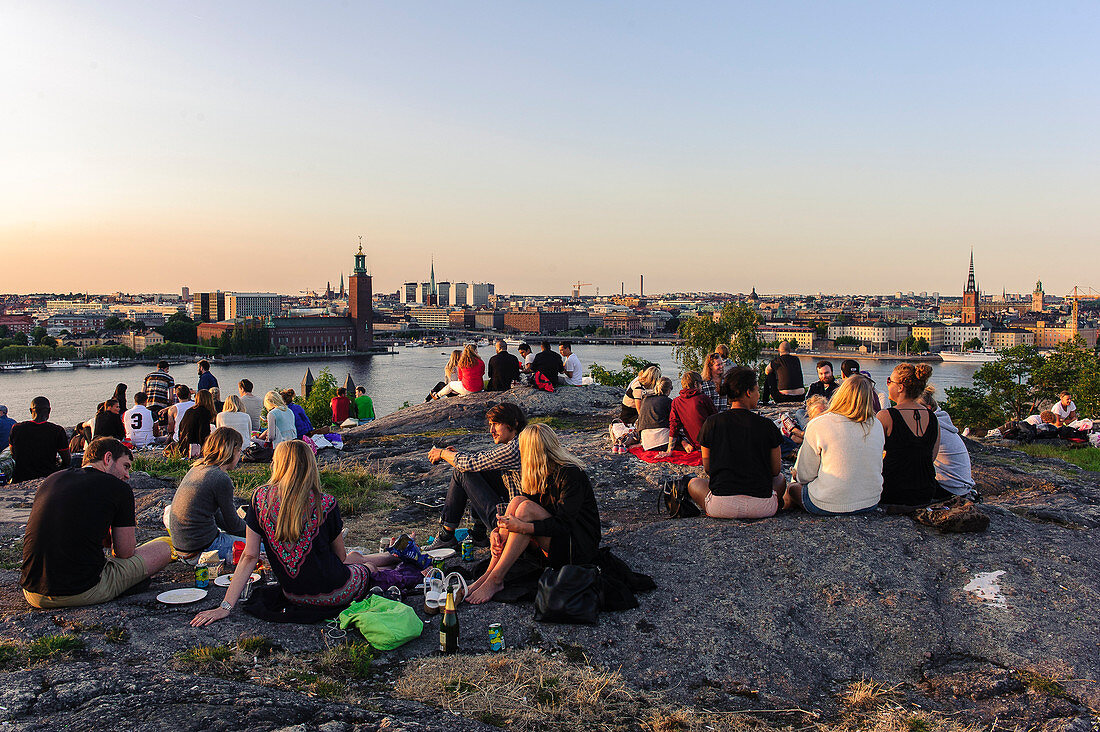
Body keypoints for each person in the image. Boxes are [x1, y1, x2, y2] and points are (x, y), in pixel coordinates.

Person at [191, 440, 402, 625]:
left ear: (278, 464)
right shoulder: (325, 503)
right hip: (337, 592)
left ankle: (394, 555)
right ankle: (397, 556)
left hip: (294, 596)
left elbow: (249, 556)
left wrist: (225, 607)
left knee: (356, 559)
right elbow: (340, 558)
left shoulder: (259, 498)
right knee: (366, 566)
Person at [20, 437, 172, 608]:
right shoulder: (119, 488)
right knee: (163, 548)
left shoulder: (51, 480)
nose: (127, 475)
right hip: (82, 591)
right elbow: (124, 553)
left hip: (32, 593)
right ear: (108, 458)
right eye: (125, 466)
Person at [466, 423, 601, 605]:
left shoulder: (570, 474)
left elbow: (564, 524)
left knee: (525, 510)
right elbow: (523, 506)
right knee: (517, 502)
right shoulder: (540, 473)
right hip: (554, 540)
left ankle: (496, 579)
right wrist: (496, 532)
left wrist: (523, 527)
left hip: (576, 547)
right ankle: (490, 574)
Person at [686, 367, 786, 519]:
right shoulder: (767, 425)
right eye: (756, 390)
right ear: (748, 392)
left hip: (721, 507)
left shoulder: (712, 422)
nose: (758, 395)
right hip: (762, 507)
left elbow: (708, 468)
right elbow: (775, 471)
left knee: (693, 483)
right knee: (781, 480)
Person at [426, 403, 527, 551]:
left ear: (514, 423)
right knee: (477, 468)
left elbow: (469, 463)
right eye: (490, 425)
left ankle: (446, 536)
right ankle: (478, 534)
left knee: (462, 471)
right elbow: (480, 461)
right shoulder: (523, 442)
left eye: (496, 424)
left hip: (511, 522)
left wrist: (442, 453)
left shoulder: (514, 449)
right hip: (516, 512)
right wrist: (455, 456)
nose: (491, 430)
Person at [785, 375, 884, 515]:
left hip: (827, 504)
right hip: (870, 501)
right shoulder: (876, 424)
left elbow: (804, 476)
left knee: (792, 488)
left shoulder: (819, 423)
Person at [166, 428, 247, 561]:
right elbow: (233, 524)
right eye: (239, 451)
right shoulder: (220, 478)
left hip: (183, 547)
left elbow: (219, 517)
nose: (240, 456)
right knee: (262, 548)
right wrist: (257, 533)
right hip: (202, 549)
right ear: (232, 451)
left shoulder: (198, 468)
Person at [877, 363, 945, 509]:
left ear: (900, 387)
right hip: (925, 491)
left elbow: (872, 456)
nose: (888, 384)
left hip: (892, 491)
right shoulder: (933, 418)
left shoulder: (886, 416)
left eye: (890, 381)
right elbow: (931, 456)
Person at [917, 388, 976, 498]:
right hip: (959, 485)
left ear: (927, 408)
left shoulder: (931, 426)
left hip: (949, 487)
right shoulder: (940, 422)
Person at [8, 397, 71, 483]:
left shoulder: (16, 428)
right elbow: (67, 460)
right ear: (49, 411)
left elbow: (13, 453)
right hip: (47, 475)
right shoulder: (57, 431)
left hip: (20, 476)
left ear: (31, 411)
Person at [663, 371, 717, 454]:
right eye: (701, 383)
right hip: (710, 442)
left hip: (694, 443)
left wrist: (669, 450)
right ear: (696, 384)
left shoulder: (676, 402)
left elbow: (674, 426)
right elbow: (716, 419)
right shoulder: (703, 398)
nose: (702, 386)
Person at [636, 377, 674, 450]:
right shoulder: (668, 401)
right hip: (663, 442)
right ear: (669, 389)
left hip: (647, 443)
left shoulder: (645, 399)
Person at [177, 388, 216, 458]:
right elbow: (204, 433)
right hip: (195, 448)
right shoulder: (204, 412)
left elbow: (181, 428)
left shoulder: (189, 410)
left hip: (184, 447)